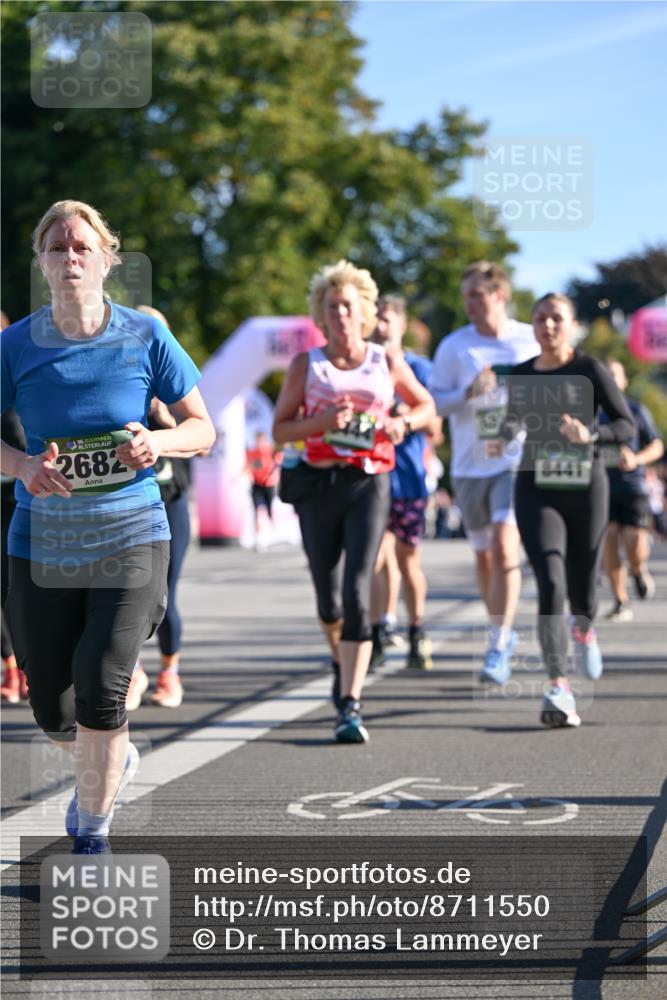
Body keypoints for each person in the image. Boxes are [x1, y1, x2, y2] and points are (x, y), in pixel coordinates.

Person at [0, 200, 215, 853]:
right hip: (43, 542)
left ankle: (92, 832)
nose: (70, 258)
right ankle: (113, 754)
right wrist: (22, 466)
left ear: (107, 259)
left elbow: (203, 430)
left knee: (100, 682)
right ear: (41, 261)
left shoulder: (145, 335)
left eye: (82, 248)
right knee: (53, 708)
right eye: (57, 248)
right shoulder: (14, 345)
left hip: (133, 534)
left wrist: (158, 442)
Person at [272, 260, 435, 743]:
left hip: (369, 481)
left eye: (349, 305)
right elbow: (281, 429)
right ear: (320, 315)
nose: (341, 314)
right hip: (319, 485)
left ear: (365, 310)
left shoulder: (384, 360)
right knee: (328, 597)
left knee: (358, 591)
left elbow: (426, 406)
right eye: (331, 306)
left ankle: (350, 702)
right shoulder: (308, 364)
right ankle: (340, 654)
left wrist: (403, 423)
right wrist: (322, 424)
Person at [503, 293, 634, 728]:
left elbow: (626, 425)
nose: (547, 326)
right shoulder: (521, 374)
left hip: (584, 487)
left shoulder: (590, 369)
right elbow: (510, 423)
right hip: (536, 486)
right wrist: (498, 429)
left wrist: (590, 432)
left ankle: (585, 627)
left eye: (556, 318)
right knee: (550, 581)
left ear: (571, 324)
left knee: (582, 587)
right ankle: (559, 685)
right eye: (540, 319)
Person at [430, 262, 540, 684]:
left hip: (514, 460)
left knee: (504, 543)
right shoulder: (454, 346)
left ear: (500, 295)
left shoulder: (527, 340)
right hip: (468, 465)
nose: (469, 303)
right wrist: (468, 393)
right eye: (466, 296)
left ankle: (498, 641)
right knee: (483, 555)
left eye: (477, 294)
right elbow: (434, 404)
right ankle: (500, 629)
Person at [125, 303, 195, 709]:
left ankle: (170, 670)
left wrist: (157, 412)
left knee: (164, 591)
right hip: (129, 503)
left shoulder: (173, 384)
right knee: (128, 587)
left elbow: (197, 439)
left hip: (170, 501)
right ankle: (131, 669)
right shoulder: (118, 379)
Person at [370, 294, 442, 670]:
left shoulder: (419, 367)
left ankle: (417, 629)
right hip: (371, 475)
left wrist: (405, 415)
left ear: (401, 324)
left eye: (386, 318)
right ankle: (380, 628)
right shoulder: (362, 365)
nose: (380, 324)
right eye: (375, 317)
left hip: (409, 477)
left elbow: (437, 427)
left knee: (407, 561)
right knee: (376, 558)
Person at [601, 360, 664, 621]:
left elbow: (657, 446)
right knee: (610, 540)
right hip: (602, 488)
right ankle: (620, 600)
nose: (611, 380)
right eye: (606, 375)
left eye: (615, 375)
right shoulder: (592, 413)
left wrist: (637, 459)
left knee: (633, 541)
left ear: (624, 381)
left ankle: (638, 571)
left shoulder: (637, 410)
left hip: (633, 486)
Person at [0, 310, 29, 703]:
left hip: (23, 495)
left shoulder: (21, 372)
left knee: (17, 587)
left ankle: (27, 666)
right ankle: (10, 667)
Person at [245, 431, 280, 544]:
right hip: (257, 483)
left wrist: (275, 474)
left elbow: (277, 462)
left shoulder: (270, 451)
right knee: (256, 507)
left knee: (269, 506)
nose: (259, 443)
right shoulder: (252, 452)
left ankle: (272, 528)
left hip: (269, 483)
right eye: (257, 440)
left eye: (261, 440)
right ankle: (257, 533)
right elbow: (248, 466)